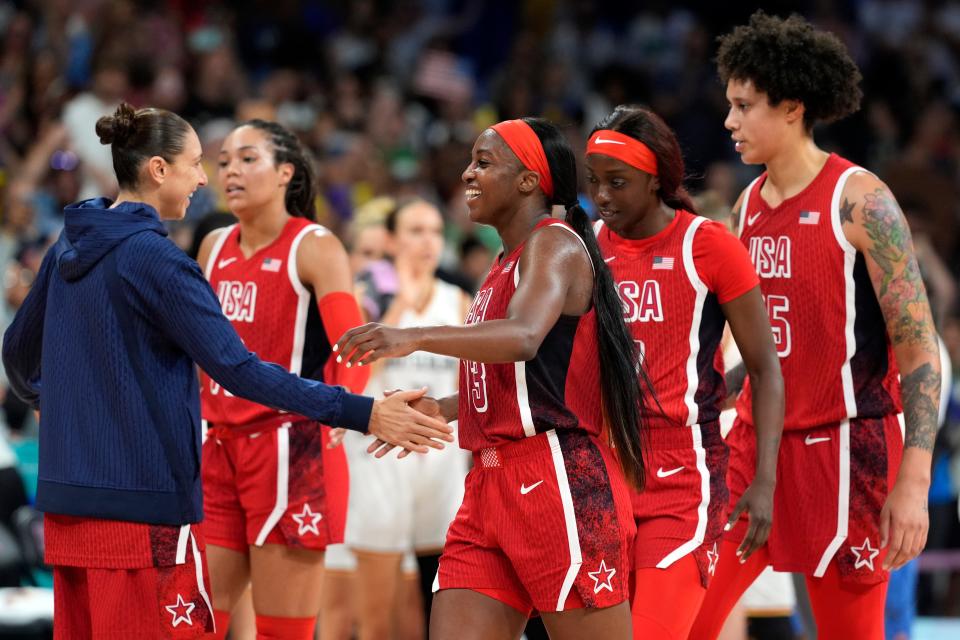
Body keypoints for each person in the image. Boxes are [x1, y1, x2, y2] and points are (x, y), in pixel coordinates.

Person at [0, 102, 453, 640]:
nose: (208, 176)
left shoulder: (68, 243)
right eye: (199, 162)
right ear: (158, 169)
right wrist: (365, 413)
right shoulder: (172, 258)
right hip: (151, 495)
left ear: (286, 173)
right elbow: (237, 368)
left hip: (81, 498)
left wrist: (69, 410)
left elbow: (17, 353)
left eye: (237, 158)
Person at [336, 117, 646, 639]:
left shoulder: (555, 244)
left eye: (483, 162)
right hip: (487, 481)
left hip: (557, 476)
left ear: (528, 180)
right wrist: (446, 408)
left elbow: (524, 337)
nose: (466, 174)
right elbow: (526, 375)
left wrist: (415, 336)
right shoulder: (503, 264)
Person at [688, 12, 941, 640]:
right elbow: (756, 345)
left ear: (793, 107)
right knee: (686, 617)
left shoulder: (862, 201)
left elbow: (920, 354)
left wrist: (914, 478)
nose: (730, 122)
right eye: (729, 106)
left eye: (745, 106)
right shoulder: (746, 207)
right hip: (755, 447)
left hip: (848, 453)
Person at [582, 104, 783, 640]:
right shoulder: (587, 249)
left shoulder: (708, 244)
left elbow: (765, 367)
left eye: (617, 182)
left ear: (655, 181)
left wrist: (764, 480)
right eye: (594, 182)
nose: (601, 196)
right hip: (602, 472)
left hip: (684, 475)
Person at [196, 118, 373, 640]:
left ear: (284, 173)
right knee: (195, 621)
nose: (231, 170)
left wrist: (348, 406)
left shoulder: (315, 246)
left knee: (282, 632)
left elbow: (356, 346)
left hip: (291, 453)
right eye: (224, 160)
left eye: (248, 159)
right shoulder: (213, 246)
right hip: (219, 447)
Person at [340, 198, 472, 640]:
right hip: (379, 462)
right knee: (376, 617)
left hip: (441, 464)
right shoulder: (366, 299)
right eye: (415, 231)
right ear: (392, 240)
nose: (427, 242)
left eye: (435, 231)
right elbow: (353, 382)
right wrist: (397, 310)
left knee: (436, 608)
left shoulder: (459, 303)